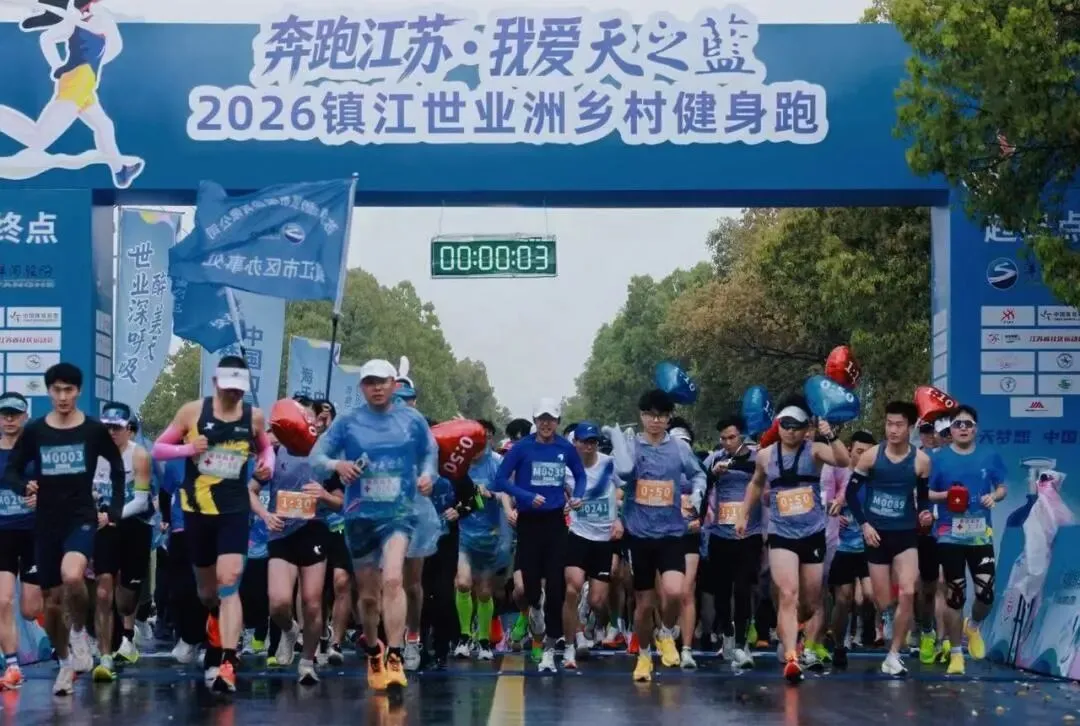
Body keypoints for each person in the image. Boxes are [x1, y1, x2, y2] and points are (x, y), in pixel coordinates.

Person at [310, 359, 437, 693]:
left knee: (393, 579)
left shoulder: (411, 420)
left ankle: (395, 654)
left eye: (382, 381)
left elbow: (430, 453)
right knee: (368, 598)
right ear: (361, 388)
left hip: (399, 513)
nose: (377, 387)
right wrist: (338, 464)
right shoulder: (348, 422)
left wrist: (428, 476)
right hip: (360, 515)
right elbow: (316, 458)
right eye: (370, 382)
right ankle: (373, 649)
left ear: (394, 384)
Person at [152, 355, 274, 692]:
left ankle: (227, 661)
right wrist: (188, 449)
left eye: (239, 388)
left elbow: (266, 450)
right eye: (229, 387)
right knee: (208, 593)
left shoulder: (254, 417)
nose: (234, 394)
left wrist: (266, 464)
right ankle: (214, 626)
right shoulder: (192, 412)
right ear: (216, 383)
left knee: (229, 581)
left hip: (234, 510)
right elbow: (159, 449)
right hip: (197, 511)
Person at [1, 363, 125, 696]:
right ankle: (66, 662)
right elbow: (11, 471)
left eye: (69, 390)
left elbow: (116, 467)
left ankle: (80, 633)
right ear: (48, 392)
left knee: (73, 576)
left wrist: (114, 509)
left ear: (78, 391)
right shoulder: (36, 431)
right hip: (46, 523)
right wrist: (23, 486)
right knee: (52, 604)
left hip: (80, 516)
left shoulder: (93, 430)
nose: (63, 396)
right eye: (56, 390)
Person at [735, 395, 850, 684]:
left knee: (809, 602)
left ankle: (793, 627)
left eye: (796, 426)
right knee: (787, 593)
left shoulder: (815, 451)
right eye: (785, 425)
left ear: (806, 428)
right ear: (778, 425)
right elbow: (756, 483)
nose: (790, 431)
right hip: (781, 533)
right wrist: (743, 514)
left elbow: (843, 460)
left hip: (812, 532)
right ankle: (791, 657)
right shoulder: (765, 455)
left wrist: (830, 434)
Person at [604, 389, 706, 682]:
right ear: (642, 416)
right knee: (644, 604)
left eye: (661, 416)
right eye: (650, 415)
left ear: (669, 418)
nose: (655, 421)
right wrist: (616, 517)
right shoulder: (630, 447)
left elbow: (698, 474)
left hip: (672, 532)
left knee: (675, 591)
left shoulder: (679, 449)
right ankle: (644, 655)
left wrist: (698, 493)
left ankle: (666, 632)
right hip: (639, 535)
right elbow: (617, 480)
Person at [251, 400, 343, 685]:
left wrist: (324, 496)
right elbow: (250, 491)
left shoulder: (326, 455)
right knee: (278, 602)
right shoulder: (274, 452)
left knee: (312, 602)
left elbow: (341, 502)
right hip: (281, 532)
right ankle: (290, 631)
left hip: (314, 530)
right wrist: (265, 515)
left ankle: (307, 662)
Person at [495, 398, 587, 673]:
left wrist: (578, 496)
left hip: (555, 522)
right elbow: (500, 480)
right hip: (528, 523)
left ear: (557, 422)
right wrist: (525, 496)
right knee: (531, 588)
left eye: (551, 419)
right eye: (542, 419)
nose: (547, 424)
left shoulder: (565, 447)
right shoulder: (522, 448)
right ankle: (535, 609)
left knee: (557, 587)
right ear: (535, 421)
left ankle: (549, 648)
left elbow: (580, 476)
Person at [844, 402, 932, 676]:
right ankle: (888, 619)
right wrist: (864, 524)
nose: (893, 430)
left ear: (910, 427)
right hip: (876, 535)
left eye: (899, 425)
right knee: (883, 601)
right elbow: (850, 495)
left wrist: (925, 514)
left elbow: (923, 499)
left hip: (905, 534)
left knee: (908, 591)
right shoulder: (871, 457)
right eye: (889, 424)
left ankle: (893, 655)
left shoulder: (921, 461)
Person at [928, 405, 1007, 675]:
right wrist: (948, 496)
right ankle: (956, 653)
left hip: (980, 535)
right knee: (955, 595)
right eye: (958, 424)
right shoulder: (939, 459)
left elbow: (1002, 488)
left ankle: (972, 627)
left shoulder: (989, 455)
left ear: (976, 429)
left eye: (968, 424)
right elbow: (927, 492)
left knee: (986, 594)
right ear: (950, 430)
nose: (963, 428)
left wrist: (993, 497)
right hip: (949, 534)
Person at [89, 401, 153, 681]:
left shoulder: (139, 455)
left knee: (125, 602)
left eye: (117, 428)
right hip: (105, 528)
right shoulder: (93, 454)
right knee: (103, 592)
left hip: (134, 527)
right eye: (107, 428)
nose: (112, 433)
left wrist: (113, 515)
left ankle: (127, 629)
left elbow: (141, 501)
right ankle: (105, 657)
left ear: (128, 429)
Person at [561, 422, 622, 669]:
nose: (589, 446)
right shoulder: (566, 468)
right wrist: (564, 505)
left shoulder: (609, 464)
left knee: (598, 600)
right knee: (572, 588)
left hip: (604, 538)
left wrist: (618, 517)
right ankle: (573, 641)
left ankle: (599, 623)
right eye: (584, 441)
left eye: (593, 442)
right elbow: (557, 492)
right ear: (575, 443)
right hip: (577, 534)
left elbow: (623, 490)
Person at [702, 414, 759, 669]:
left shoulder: (757, 458)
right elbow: (700, 485)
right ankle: (727, 633)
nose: (727, 442)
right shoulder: (715, 458)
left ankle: (742, 644)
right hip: (720, 534)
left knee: (743, 589)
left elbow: (764, 479)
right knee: (722, 591)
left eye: (731, 437)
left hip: (749, 533)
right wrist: (713, 474)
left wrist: (737, 467)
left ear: (742, 436)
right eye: (723, 438)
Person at [454, 420, 510, 662]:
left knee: (485, 592)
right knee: (463, 583)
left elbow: (508, 494)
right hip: (463, 534)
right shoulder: (459, 463)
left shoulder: (497, 463)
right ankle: (464, 636)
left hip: (490, 537)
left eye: (484, 437)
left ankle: (484, 639)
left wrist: (492, 494)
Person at [0, 392, 41, 690]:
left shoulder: (36, 452)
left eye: (15, 414)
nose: (9, 419)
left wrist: (43, 497)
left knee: (29, 610)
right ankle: (13, 666)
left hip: (33, 534)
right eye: (5, 414)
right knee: (2, 600)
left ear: (25, 416)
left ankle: (66, 636)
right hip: (2, 533)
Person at [826, 430, 876, 669]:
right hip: (842, 547)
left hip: (869, 546)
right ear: (849, 450)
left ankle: (868, 627)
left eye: (868, 452)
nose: (863, 456)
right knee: (843, 599)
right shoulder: (839, 472)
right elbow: (822, 498)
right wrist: (834, 513)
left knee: (870, 595)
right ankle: (838, 645)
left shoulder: (876, 478)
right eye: (859, 451)